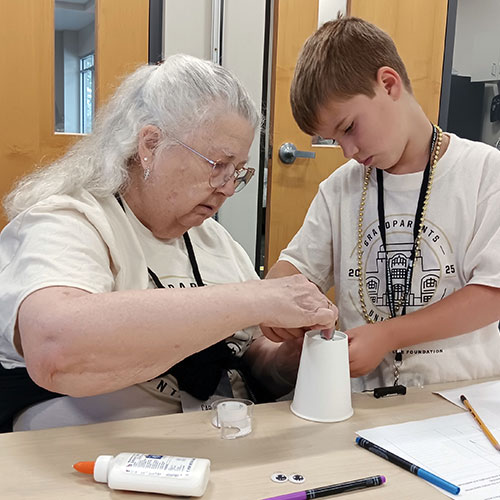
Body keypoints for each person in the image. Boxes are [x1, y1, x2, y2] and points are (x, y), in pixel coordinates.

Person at [0, 54, 336, 432]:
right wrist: (259, 299)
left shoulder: (211, 237)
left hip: (210, 442)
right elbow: (56, 347)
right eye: (217, 165)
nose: (228, 188)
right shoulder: (68, 219)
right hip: (99, 458)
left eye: (238, 171)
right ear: (150, 144)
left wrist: (288, 358)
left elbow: (246, 354)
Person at [263, 17, 500, 392]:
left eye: (349, 128)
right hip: (365, 405)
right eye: (333, 141)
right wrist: (274, 300)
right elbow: (295, 269)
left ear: (388, 84)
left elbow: (492, 294)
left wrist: (387, 336)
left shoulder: (486, 173)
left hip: (460, 401)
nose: (348, 152)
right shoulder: (341, 188)